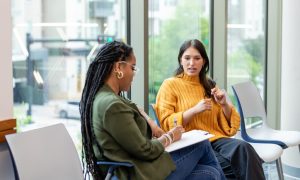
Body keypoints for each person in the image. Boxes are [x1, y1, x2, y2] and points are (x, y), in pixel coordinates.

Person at [79, 40, 225, 180]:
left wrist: (151, 124)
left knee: (210, 173)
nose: (134, 74)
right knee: (202, 143)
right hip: (136, 173)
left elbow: (133, 127)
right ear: (118, 68)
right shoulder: (112, 105)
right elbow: (145, 150)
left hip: (137, 166)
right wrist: (170, 136)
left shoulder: (107, 97)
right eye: (133, 67)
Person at [155, 39, 265, 180]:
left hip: (215, 140)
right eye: (187, 58)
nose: (192, 63)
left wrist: (224, 104)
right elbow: (166, 123)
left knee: (244, 149)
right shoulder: (170, 85)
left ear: (204, 62)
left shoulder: (209, 84)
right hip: (191, 145)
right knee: (235, 165)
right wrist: (194, 110)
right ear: (180, 60)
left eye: (197, 58)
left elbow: (229, 129)